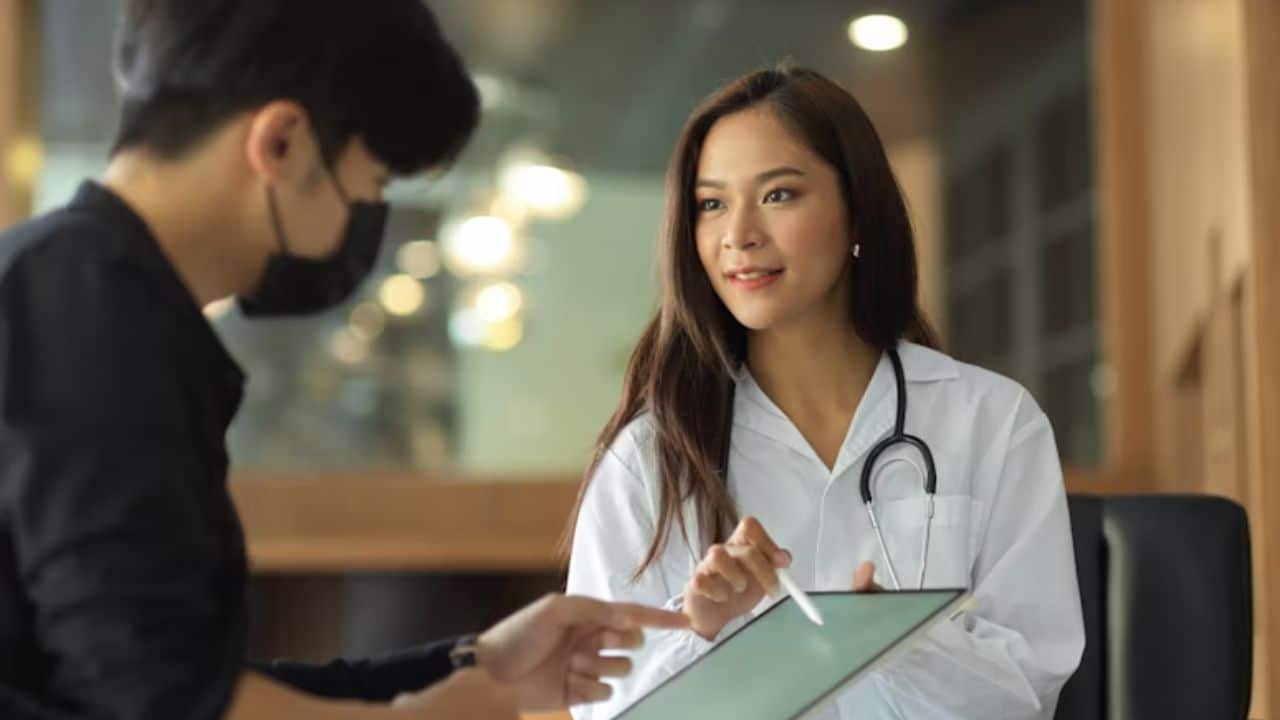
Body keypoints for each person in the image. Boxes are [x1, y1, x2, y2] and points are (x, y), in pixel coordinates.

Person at [0, 2, 687, 718]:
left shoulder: (79, 290)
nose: (357, 223)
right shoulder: (92, 312)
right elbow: (159, 700)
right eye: (370, 186)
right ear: (284, 143)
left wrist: (476, 665)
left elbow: (171, 674)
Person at [566, 66, 1084, 719]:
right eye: (712, 204)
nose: (739, 235)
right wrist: (701, 631)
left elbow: (1027, 691)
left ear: (859, 210)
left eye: (779, 195)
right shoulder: (647, 462)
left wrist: (889, 640)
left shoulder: (991, 422)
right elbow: (599, 711)